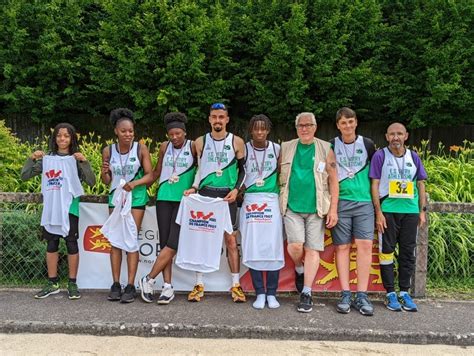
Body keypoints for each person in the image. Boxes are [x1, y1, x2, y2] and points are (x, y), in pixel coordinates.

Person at [21, 123, 96, 300]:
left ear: (72, 139)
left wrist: (84, 163)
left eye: (66, 136)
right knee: (52, 244)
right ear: (54, 138)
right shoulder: (48, 160)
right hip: (52, 208)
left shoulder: (75, 160)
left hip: (70, 208)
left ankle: (72, 283)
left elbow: (92, 182)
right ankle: (52, 282)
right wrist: (31, 158)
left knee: (71, 244)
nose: (62, 139)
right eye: (59, 135)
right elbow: (24, 176)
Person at [183, 102, 247, 303]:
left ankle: (236, 285)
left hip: (227, 197)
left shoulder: (237, 142)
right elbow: (198, 169)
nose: (218, 120)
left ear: (227, 119)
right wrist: (193, 188)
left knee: (231, 242)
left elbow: (244, 171)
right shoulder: (199, 142)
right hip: (205, 196)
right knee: (202, 241)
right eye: (214, 117)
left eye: (221, 117)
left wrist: (236, 190)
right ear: (209, 119)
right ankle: (199, 284)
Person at [279, 112, 339, 313]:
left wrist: (333, 209)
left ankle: (306, 292)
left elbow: (333, 179)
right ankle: (298, 267)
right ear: (296, 128)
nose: (304, 128)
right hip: (292, 206)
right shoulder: (286, 148)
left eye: (308, 125)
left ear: (315, 127)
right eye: (300, 125)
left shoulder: (325, 148)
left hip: (316, 209)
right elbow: (277, 174)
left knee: (313, 249)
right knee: (295, 246)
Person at [138, 112, 196, 304]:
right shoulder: (164, 147)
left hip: (183, 200)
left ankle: (148, 279)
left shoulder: (193, 146)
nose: (174, 137)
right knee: (165, 244)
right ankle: (167, 287)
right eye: (171, 134)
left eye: (178, 133)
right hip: (163, 197)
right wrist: (138, 184)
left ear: (185, 133)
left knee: (173, 243)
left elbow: (202, 171)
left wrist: (196, 188)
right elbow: (157, 171)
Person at [370, 122, 427, 312]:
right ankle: (389, 292)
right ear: (387, 137)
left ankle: (404, 292)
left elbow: (421, 184)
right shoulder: (380, 156)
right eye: (392, 134)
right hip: (388, 211)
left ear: (406, 136)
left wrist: (422, 211)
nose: (396, 137)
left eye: (399, 134)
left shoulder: (414, 157)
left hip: (410, 211)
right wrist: (378, 212)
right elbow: (375, 184)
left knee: (407, 252)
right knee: (386, 251)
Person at [101, 108, 153, 303]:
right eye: (124, 131)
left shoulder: (140, 148)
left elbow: (150, 175)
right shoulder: (108, 150)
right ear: (116, 131)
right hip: (116, 198)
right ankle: (116, 284)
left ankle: (130, 285)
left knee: (131, 240)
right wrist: (105, 171)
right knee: (115, 241)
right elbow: (106, 180)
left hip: (136, 198)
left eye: (131, 131)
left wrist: (135, 184)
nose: (128, 134)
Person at [330, 107, 376, 316]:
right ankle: (346, 293)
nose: (347, 126)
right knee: (342, 248)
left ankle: (362, 294)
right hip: (340, 202)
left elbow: (376, 176)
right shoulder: (332, 145)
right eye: (343, 123)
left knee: (365, 245)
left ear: (356, 122)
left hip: (364, 201)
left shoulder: (367, 144)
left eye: (350, 121)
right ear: (338, 125)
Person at [239, 114, 284, 309]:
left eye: (263, 128)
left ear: (268, 130)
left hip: (271, 200)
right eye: (256, 128)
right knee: (253, 246)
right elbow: (238, 174)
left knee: (273, 247)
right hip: (251, 201)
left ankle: (272, 293)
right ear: (251, 130)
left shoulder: (276, 149)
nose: (259, 132)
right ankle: (260, 292)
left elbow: (282, 174)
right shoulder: (244, 149)